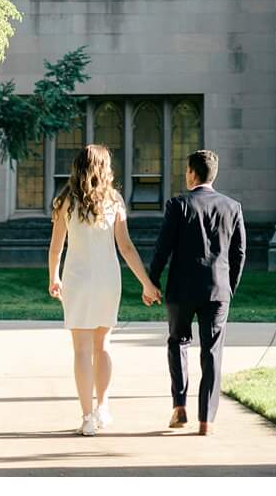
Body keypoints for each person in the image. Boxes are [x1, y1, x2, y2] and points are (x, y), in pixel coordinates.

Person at [47, 143, 161, 436]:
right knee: (103, 345)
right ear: (104, 168)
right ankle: (103, 406)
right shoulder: (115, 202)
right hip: (108, 281)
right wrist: (147, 284)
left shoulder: (64, 202)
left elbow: (56, 247)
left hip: (76, 280)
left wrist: (54, 277)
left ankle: (87, 417)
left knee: (81, 350)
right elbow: (125, 247)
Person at [147, 148, 248, 435]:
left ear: (192, 173)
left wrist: (152, 280)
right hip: (218, 289)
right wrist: (229, 287)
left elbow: (162, 248)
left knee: (178, 342)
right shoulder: (233, 207)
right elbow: (239, 254)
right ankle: (207, 420)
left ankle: (179, 406)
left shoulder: (178, 205)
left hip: (181, 288)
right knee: (212, 351)